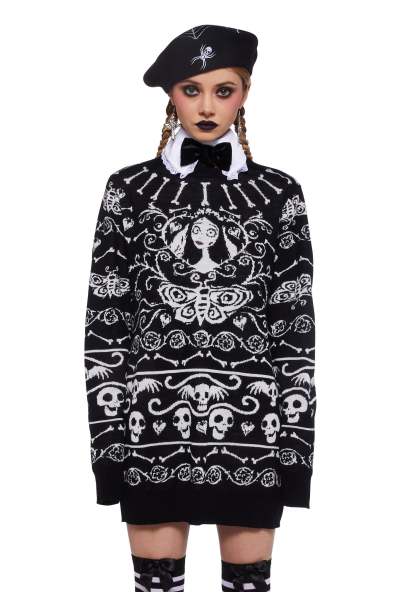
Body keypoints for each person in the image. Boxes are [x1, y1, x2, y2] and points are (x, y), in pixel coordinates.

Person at [84, 24, 317, 592]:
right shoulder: (128, 191)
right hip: (151, 427)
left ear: (245, 93)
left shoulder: (279, 194)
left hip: (254, 429)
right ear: (171, 95)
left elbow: (296, 330)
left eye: (223, 90)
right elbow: (105, 325)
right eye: (191, 90)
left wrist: (295, 455)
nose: (207, 107)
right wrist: (108, 451)